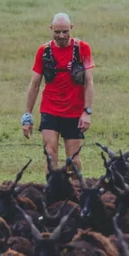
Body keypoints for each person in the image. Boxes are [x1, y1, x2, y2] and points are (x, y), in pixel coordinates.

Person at [21, 13, 94, 172]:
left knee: (73, 160)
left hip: (74, 111)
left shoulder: (83, 49)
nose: (61, 36)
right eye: (57, 32)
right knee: (50, 154)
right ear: (51, 29)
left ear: (71, 28)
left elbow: (89, 82)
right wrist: (27, 115)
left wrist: (87, 112)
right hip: (50, 109)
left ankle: (75, 192)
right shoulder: (44, 51)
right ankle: (51, 193)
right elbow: (34, 84)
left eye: (65, 32)